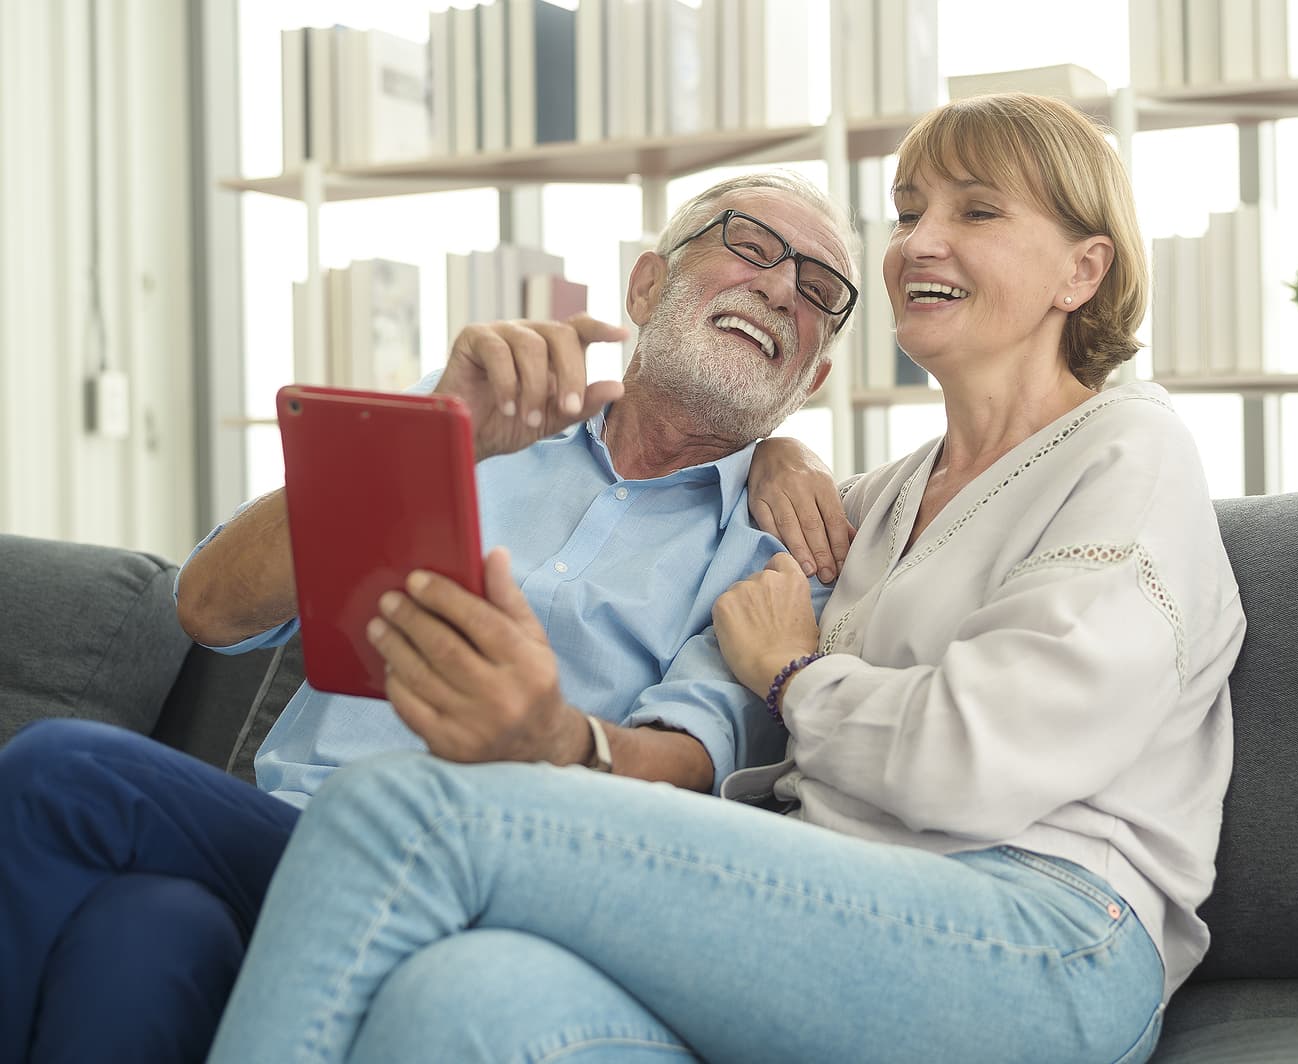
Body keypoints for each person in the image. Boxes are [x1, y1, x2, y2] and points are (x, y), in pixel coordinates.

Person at [205, 93, 1247, 1064]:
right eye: (908, 210)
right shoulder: (867, 506)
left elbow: (977, 756)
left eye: (976, 211)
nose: (920, 242)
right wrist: (774, 455)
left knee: (402, 810)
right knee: (462, 994)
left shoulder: (1127, 449)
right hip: (836, 914)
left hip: (1046, 934)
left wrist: (795, 677)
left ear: (1081, 272)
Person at [0, 169, 860, 1064]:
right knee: (144, 932)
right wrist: (426, 420)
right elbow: (206, 606)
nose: (780, 286)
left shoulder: (777, 549)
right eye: (751, 245)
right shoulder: (470, 420)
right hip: (295, 827)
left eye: (820, 291)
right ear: (647, 285)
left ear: (814, 374)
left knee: (63, 768)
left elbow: (692, 762)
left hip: (477, 877)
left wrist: (552, 736)